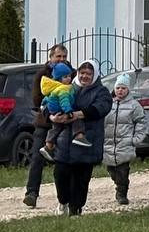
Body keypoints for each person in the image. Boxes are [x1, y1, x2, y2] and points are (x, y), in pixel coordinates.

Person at [50, 59, 112, 217]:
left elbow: (101, 108)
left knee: (80, 180)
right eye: (82, 73)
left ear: (94, 75)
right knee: (60, 174)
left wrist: (77, 114)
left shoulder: (101, 91)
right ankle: (63, 201)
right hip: (65, 142)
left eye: (89, 74)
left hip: (87, 142)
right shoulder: (68, 87)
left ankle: (75, 209)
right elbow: (50, 102)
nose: (84, 76)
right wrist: (52, 117)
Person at [23, 42, 68, 209]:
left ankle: (64, 197)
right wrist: (51, 110)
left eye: (64, 56)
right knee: (37, 158)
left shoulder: (71, 72)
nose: (61, 59)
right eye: (58, 56)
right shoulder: (42, 74)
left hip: (65, 122)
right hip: (45, 122)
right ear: (51, 57)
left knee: (64, 161)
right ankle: (31, 193)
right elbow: (37, 100)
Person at [103, 73, 149, 206]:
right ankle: (118, 183)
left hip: (125, 143)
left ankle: (122, 193)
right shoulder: (108, 104)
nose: (120, 91)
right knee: (112, 170)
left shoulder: (134, 105)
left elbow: (141, 122)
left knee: (123, 171)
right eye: (118, 88)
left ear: (128, 90)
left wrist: (136, 139)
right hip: (109, 143)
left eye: (123, 88)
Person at [38, 63, 92, 159]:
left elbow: (47, 98)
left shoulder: (55, 87)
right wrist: (68, 111)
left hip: (55, 112)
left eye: (69, 76)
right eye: (65, 77)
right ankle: (79, 136)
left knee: (56, 128)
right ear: (59, 79)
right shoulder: (64, 88)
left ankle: (48, 145)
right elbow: (64, 101)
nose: (69, 79)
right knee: (76, 119)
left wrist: (43, 105)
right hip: (62, 110)